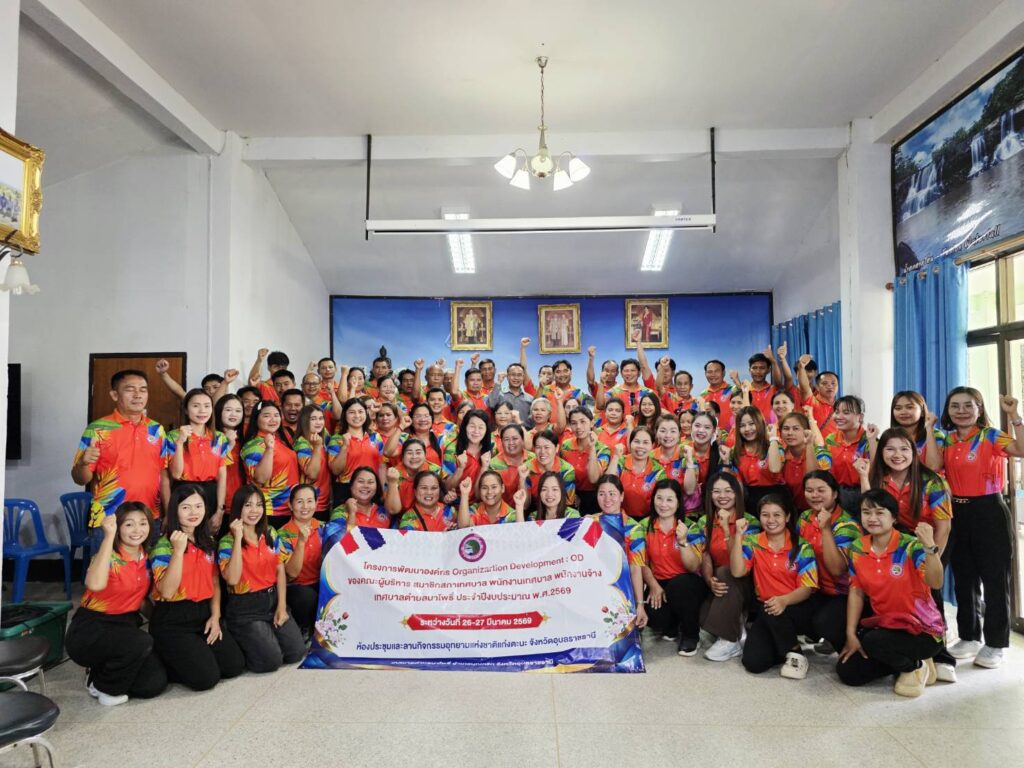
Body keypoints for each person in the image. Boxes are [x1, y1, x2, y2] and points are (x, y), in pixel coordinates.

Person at [860, 426, 956, 679]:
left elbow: (944, 527)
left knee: (930, 594)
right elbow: (870, 512)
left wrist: (930, 557)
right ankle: (903, 645)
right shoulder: (878, 479)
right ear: (881, 453)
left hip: (930, 541)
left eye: (904, 449)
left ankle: (941, 655)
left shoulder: (932, 482)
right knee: (897, 593)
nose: (897, 455)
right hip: (895, 544)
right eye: (890, 449)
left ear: (914, 452)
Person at [938, 388, 1024, 669]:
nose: (961, 411)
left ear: (979, 408)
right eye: (955, 406)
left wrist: (1015, 416)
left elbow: (1021, 450)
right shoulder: (946, 439)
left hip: (989, 510)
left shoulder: (991, 435)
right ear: (948, 410)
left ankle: (996, 643)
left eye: (968, 405)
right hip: (956, 512)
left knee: (995, 578)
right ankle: (969, 636)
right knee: (964, 577)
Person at [836, 490, 945, 698]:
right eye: (866, 512)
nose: (872, 518)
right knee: (848, 671)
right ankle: (901, 662)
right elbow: (856, 592)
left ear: (894, 517)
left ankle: (915, 666)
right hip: (887, 628)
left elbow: (936, 582)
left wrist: (930, 548)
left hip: (922, 632)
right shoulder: (857, 549)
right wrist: (850, 633)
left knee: (873, 641)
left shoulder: (911, 545)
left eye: (879, 512)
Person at [65, 502, 167, 706]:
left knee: (153, 684)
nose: (137, 530)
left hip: (125, 627)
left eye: (143, 523)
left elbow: (140, 600)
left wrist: (161, 622)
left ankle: (98, 673)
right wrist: (108, 537)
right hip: (91, 629)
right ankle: (105, 689)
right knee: (140, 641)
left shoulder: (146, 558)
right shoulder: (107, 556)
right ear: (118, 527)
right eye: (129, 524)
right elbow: (94, 584)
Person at [149, 484, 244, 691]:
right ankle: (162, 655)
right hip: (173, 619)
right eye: (186, 507)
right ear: (175, 510)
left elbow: (215, 582)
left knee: (234, 665)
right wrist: (178, 552)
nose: (194, 512)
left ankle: (192, 653)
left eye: (198, 506)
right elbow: (167, 591)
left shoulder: (206, 541)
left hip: (202, 615)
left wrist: (215, 617)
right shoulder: (164, 546)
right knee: (206, 679)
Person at [72, 369, 171, 533]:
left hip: (149, 517)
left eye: (143, 390)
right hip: (108, 518)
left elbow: (163, 475)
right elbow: (80, 479)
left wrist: (168, 513)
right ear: (114, 395)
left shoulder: (156, 430)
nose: (138, 395)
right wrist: (82, 463)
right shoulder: (97, 429)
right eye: (130, 389)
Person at [219, 486, 305, 672]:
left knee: (296, 653)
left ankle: (264, 635)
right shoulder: (226, 542)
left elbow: (280, 570)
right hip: (245, 608)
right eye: (248, 505)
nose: (254, 510)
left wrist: (281, 607)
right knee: (271, 662)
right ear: (238, 508)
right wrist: (238, 538)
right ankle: (239, 634)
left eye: (259, 505)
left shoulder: (270, 533)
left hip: (272, 599)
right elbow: (232, 579)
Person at [731, 495, 818, 678]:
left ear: (787, 517)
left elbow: (807, 588)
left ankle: (796, 653)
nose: (771, 520)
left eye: (777, 515)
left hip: (796, 605)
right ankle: (783, 646)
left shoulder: (802, 546)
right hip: (768, 607)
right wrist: (738, 536)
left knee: (773, 609)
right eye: (765, 515)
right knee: (753, 663)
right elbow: (738, 572)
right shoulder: (752, 542)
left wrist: (784, 600)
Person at [690, 472, 760, 662]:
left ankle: (729, 640)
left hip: (746, 579)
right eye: (717, 491)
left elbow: (738, 562)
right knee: (704, 619)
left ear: (737, 493)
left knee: (726, 571)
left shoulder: (750, 522)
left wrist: (727, 530)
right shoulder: (704, 521)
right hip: (720, 582)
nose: (722, 496)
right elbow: (704, 554)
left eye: (728, 491)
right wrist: (709, 580)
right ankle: (735, 624)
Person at [638, 479, 707, 656]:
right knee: (654, 618)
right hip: (660, 582)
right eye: (659, 498)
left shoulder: (690, 526)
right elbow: (641, 562)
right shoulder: (644, 526)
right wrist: (653, 585)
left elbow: (693, 566)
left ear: (678, 502)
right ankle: (674, 623)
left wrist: (683, 542)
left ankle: (691, 635)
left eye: (669, 499)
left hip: (688, 583)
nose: (663, 504)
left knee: (679, 586)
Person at [797, 471, 861, 657]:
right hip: (815, 589)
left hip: (843, 594)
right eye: (809, 490)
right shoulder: (805, 517)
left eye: (821, 490)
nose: (814, 495)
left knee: (824, 623)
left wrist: (825, 529)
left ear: (834, 494)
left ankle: (850, 642)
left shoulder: (847, 525)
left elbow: (837, 569)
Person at [166, 389, 230, 533]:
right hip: (183, 493)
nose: (202, 411)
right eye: (196, 406)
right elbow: (176, 474)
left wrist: (220, 510)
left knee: (208, 538)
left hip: (210, 494)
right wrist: (180, 443)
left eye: (207, 406)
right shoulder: (173, 436)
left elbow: (222, 476)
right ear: (186, 410)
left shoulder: (219, 438)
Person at [594, 475, 649, 630]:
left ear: (622, 496)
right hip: (596, 588)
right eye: (602, 494)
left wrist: (640, 605)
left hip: (623, 591)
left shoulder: (634, 528)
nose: (607, 499)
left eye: (612, 493)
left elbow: (635, 569)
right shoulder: (590, 523)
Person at [278, 484, 329, 638]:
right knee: (306, 597)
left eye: (309, 501)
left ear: (316, 503)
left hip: (322, 582)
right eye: (299, 502)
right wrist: (301, 542)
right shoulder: (282, 534)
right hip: (296, 587)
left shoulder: (325, 528)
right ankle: (303, 629)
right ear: (290, 505)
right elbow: (291, 574)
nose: (305, 506)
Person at [241, 400, 300, 525]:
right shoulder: (254, 445)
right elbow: (260, 478)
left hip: (288, 508)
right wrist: (269, 449)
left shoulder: (278, 440)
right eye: (267, 416)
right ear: (256, 419)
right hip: (269, 510)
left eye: (276, 415)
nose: (273, 419)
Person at [813, 395, 874, 514]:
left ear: (860, 417)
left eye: (846, 412)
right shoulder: (831, 439)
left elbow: (876, 472)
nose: (839, 417)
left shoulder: (869, 441)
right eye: (837, 412)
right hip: (836, 495)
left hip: (863, 494)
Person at [726, 406, 786, 511]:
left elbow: (775, 468)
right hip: (750, 502)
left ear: (760, 423)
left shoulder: (774, 445)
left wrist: (773, 438)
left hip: (777, 501)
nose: (747, 429)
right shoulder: (735, 452)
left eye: (751, 423)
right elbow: (736, 485)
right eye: (742, 425)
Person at [329, 398, 385, 502]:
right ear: (345, 415)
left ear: (366, 413)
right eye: (352, 412)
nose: (357, 416)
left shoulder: (375, 437)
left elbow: (382, 466)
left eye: (360, 411)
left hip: (371, 488)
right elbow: (335, 470)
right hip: (345, 489)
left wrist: (383, 490)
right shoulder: (336, 439)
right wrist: (344, 447)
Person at [559, 407, 611, 515]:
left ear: (591, 423)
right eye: (574, 423)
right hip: (570, 497)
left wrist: (592, 448)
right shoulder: (565, 446)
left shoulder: (603, 450)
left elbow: (594, 479)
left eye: (583, 422)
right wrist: (571, 495)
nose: (578, 427)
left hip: (595, 499)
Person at [608, 426, 667, 519]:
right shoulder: (621, 461)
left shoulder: (658, 471)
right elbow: (608, 483)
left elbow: (662, 501)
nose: (641, 446)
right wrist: (616, 457)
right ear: (630, 443)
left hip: (646, 519)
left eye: (645, 442)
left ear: (652, 445)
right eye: (636, 441)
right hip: (618, 516)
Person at [293, 404, 340, 519]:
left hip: (325, 501)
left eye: (321, 418)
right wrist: (317, 447)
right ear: (305, 421)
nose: (318, 422)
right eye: (313, 419)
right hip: (309, 503)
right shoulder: (301, 443)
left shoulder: (324, 436)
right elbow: (312, 474)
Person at [213, 394, 247, 533]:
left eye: (238, 411)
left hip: (240, 504)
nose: (233, 414)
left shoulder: (245, 439)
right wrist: (229, 445)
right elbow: (211, 469)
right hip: (217, 503)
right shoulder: (211, 437)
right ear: (219, 411)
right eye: (228, 410)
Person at [522, 429, 577, 510]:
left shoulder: (567, 470)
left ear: (557, 448)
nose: (542, 452)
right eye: (538, 447)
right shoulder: (527, 468)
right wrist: (522, 479)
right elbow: (525, 505)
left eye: (547, 447)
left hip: (560, 510)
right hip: (534, 509)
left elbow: (569, 502)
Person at [444, 409, 493, 496]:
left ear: (487, 430)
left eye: (481, 427)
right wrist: (460, 468)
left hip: (481, 500)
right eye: (472, 426)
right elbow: (447, 487)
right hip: (455, 500)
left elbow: (487, 489)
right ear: (465, 427)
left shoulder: (490, 449)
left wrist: (484, 467)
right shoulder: (452, 449)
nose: (476, 431)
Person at [489, 424, 535, 505]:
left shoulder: (533, 459)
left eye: (515, 438)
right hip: (503, 509)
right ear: (501, 442)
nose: (511, 443)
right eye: (506, 439)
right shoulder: (493, 464)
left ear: (522, 440)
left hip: (532, 508)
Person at [457, 472, 524, 526]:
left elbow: (520, 535)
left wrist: (519, 506)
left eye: (494, 487)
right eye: (484, 488)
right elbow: (463, 527)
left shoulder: (512, 514)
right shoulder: (474, 510)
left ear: (502, 488)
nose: (489, 492)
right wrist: (464, 494)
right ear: (479, 490)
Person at [486, 362, 534, 426]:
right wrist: (499, 382)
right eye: (513, 375)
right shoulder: (498, 394)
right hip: (502, 431)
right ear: (508, 376)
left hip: (523, 431)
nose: (516, 378)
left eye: (519, 375)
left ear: (523, 377)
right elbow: (491, 404)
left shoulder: (530, 399)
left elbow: (532, 421)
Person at [699, 360, 736, 429]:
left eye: (716, 371)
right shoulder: (703, 395)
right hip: (710, 434)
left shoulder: (733, 390)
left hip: (732, 433)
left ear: (723, 373)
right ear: (705, 374)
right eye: (710, 372)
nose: (713, 374)